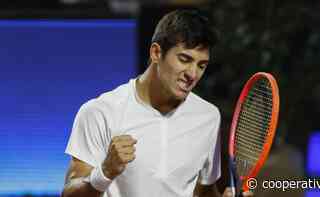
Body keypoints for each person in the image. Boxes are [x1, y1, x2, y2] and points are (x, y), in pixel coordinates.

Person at [61, 9, 250, 197]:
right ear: (156, 52)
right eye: (184, 59)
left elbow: (204, 191)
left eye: (201, 65)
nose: (192, 74)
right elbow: (69, 193)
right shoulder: (99, 112)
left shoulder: (208, 116)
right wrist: (104, 173)